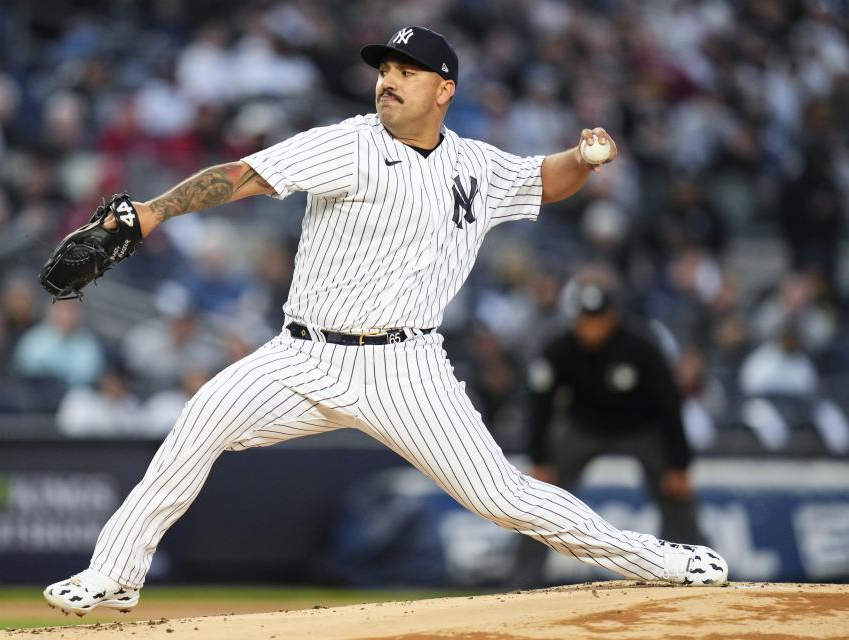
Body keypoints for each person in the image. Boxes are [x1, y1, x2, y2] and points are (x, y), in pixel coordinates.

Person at [44, 26, 728, 616]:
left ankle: (658, 561)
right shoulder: (351, 144)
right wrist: (153, 213)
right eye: (385, 71)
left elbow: (544, 180)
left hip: (408, 368)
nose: (389, 82)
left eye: (407, 72)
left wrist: (582, 159)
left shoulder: (475, 166)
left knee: (503, 497)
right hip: (303, 355)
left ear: (445, 90)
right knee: (201, 420)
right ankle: (115, 575)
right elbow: (246, 174)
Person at [514, 269, 706, 586]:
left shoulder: (641, 346)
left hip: (641, 429)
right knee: (541, 497)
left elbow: (671, 405)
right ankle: (521, 580)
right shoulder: (559, 349)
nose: (591, 328)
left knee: (676, 494)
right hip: (583, 428)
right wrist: (539, 459)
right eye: (585, 320)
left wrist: (679, 464)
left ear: (612, 317)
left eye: (598, 319)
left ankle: (694, 569)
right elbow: (540, 406)